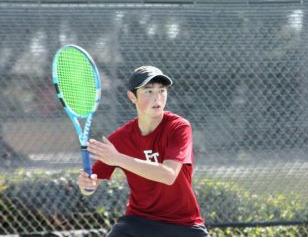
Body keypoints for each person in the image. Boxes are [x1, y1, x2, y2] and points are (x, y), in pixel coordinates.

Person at [76, 65, 210, 237]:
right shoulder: (120, 139)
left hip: (183, 224)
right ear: (132, 97)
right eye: (148, 91)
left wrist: (118, 159)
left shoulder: (178, 127)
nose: (157, 98)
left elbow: (168, 175)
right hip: (138, 221)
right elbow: (91, 184)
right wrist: (86, 185)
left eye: (161, 90)